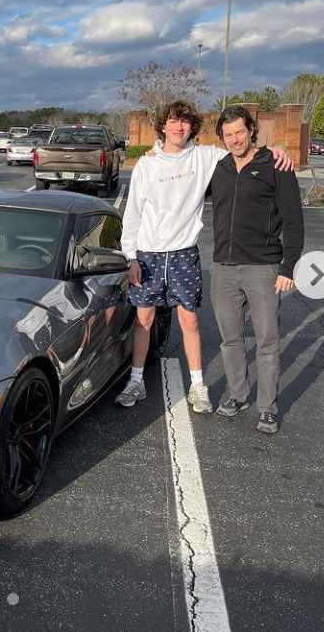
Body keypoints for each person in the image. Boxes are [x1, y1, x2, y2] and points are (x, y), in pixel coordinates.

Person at [115, 101, 293, 413]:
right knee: (143, 319)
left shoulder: (205, 157)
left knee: (190, 320)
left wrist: (276, 149)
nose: (178, 127)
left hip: (184, 254)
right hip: (148, 254)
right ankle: (136, 381)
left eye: (184, 123)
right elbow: (132, 214)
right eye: (173, 122)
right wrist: (130, 257)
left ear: (192, 128)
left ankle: (198, 386)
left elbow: (245, 149)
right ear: (163, 126)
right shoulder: (147, 164)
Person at [210, 106, 304, 433]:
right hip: (223, 268)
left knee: (267, 341)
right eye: (228, 134)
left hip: (263, 267)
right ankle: (238, 395)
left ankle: (267, 407)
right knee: (230, 340)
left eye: (240, 131)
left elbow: (293, 219)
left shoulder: (275, 165)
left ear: (251, 130)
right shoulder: (219, 167)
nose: (235, 139)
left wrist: (288, 265)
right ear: (221, 137)